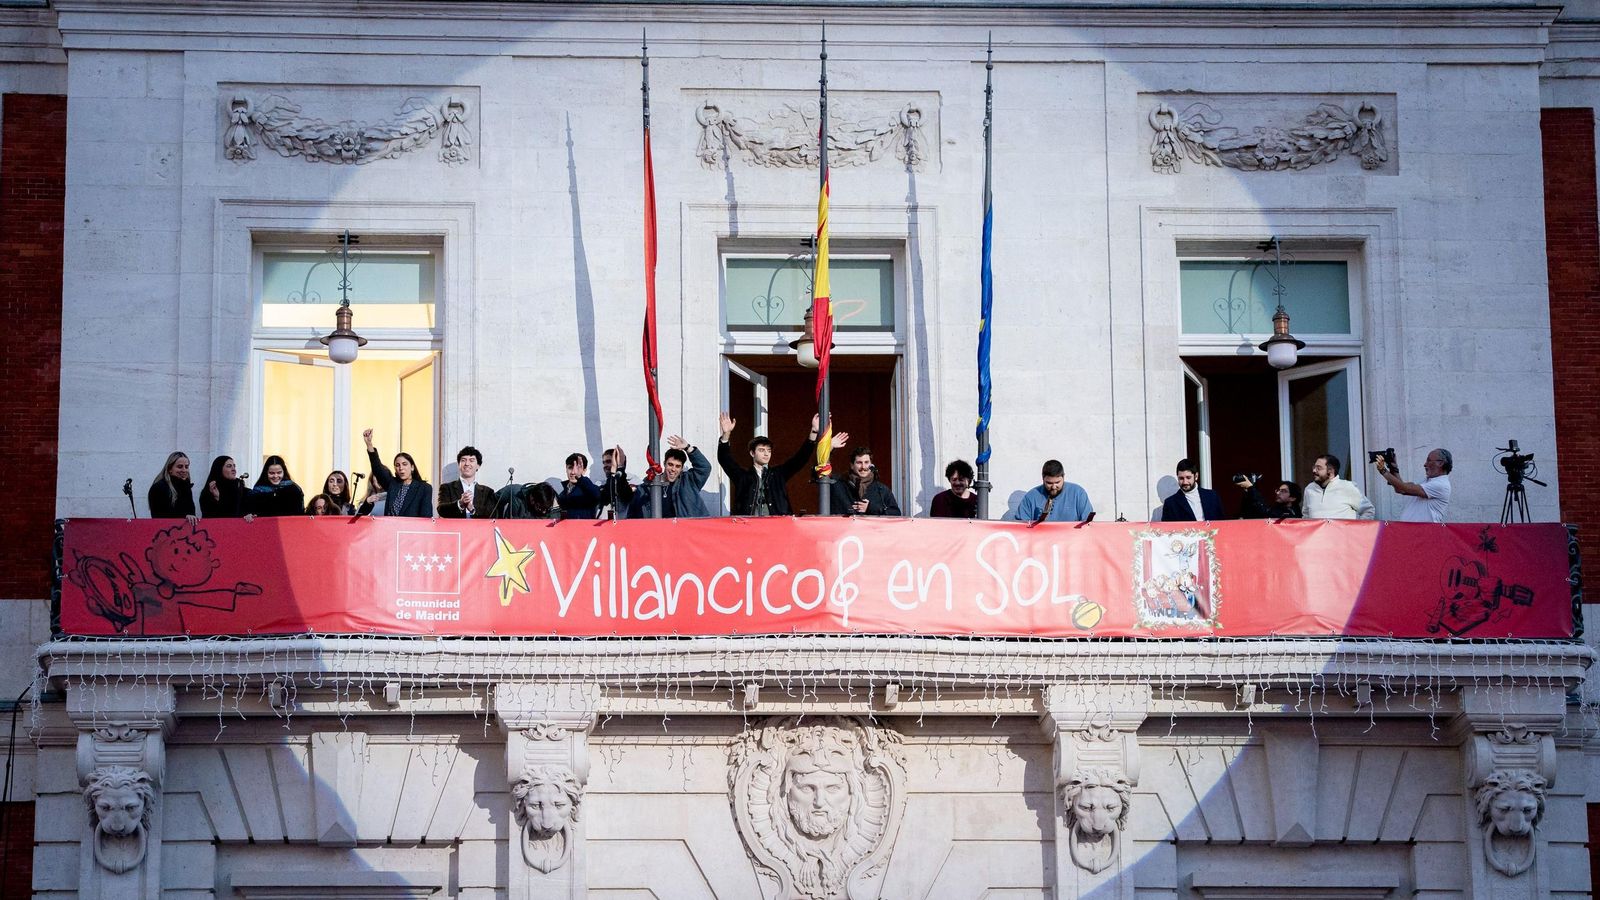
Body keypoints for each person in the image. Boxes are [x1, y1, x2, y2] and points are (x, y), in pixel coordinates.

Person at [717, 412, 847, 517]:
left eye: (768, 451)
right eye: (761, 450)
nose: (766, 454)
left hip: (777, 527)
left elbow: (799, 460)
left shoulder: (778, 474)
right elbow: (725, 460)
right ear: (752, 453)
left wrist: (813, 432)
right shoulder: (743, 477)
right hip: (748, 528)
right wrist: (726, 435)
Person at [627, 436, 712, 518]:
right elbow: (632, 517)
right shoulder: (647, 488)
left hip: (686, 530)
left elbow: (705, 468)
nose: (673, 469)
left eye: (677, 466)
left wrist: (687, 447)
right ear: (664, 464)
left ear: (682, 468)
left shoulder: (688, 481)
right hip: (658, 531)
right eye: (670, 464)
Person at [363, 428, 433, 517]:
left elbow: (426, 516)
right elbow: (377, 469)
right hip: (390, 528)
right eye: (397, 465)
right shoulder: (392, 484)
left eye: (404, 464)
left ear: (412, 467)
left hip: (409, 529)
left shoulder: (424, 488)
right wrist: (369, 444)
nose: (401, 468)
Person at [1377, 448, 1452, 523]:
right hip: (1414, 531)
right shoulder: (1428, 481)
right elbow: (1401, 489)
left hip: (1424, 532)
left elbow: (1404, 488)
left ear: (1440, 463)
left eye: (1429, 460)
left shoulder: (1441, 485)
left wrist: (1383, 471)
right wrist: (1393, 467)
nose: (1425, 464)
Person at [1015, 459, 1093, 523]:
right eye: (1049, 483)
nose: (1054, 487)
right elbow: (1021, 527)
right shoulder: (1031, 497)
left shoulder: (1078, 493)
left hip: (1072, 540)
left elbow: (1087, 524)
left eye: (1057, 482)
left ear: (1063, 477)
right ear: (1043, 478)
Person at [831, 446, 901, 516]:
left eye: (866, 462)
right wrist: (830, 447)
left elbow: (896, 514)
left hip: (872, 527)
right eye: (859, 463)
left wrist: (870, 508)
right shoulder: (838, 484)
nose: (863, 467)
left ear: (871, 465)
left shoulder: (881, 489)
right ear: (852, 465)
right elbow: (822, 471)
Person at [1302, 454, 1375, 520]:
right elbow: (1306, 517)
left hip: (1345, 534)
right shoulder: (1309, 489)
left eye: (1319, 468)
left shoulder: (1347, 487)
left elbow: (1368, 510)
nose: (1314, 470)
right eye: (1314, 467)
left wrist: (1357, 529)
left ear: (1330, 471)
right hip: (1318, 535)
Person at [438, 446, 496, 519]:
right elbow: (441, 510)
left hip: (479, 529)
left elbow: (492, 515)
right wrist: (460, 503)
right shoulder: (447, 488)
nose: (467, 464)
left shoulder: (487, 492)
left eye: (471, 460)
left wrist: (472, 509)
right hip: (455, 529)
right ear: (459, 465)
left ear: (478, 465)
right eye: (463, 460)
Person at [1159, 458, 1224, 521]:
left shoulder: (1212, 496)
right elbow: (1167, 530)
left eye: (1188, 477)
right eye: (1181, 478)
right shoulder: (1170, 504)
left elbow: (1222, 523)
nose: (1185, 482)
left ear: (1196, 476)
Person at [147, 452, 196, 521]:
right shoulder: (159, 488)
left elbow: (191, 512)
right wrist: (185, 517)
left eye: (186, 467)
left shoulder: (185, 486)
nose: (184, 470)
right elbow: (161, 516)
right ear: (170, 469)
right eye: (180, 466)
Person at [558, 452, 602, 519]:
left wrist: (580, 477)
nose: (573, 472)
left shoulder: (589, 491)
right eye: (570, 468)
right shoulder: (562, 494)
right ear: (566, 469)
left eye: (578, 468)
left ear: (584, 470)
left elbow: (596, 495)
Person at [596, 446, 635, 520]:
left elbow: (626, 496)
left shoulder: (633, 480)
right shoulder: (599, 483)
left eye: (609, 462)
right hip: (602, 528)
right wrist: (613, 474)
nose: (605, 466)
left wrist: (619, 470)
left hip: (624, 528)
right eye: (603, 463)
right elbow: (605, 497)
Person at [492, 481, 560, 519]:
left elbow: (553, 527)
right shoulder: (516, 493)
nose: (544, 512)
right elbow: (493, 501)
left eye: (547, 509)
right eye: (540, 508)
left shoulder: (552, 505)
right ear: (532, 499)